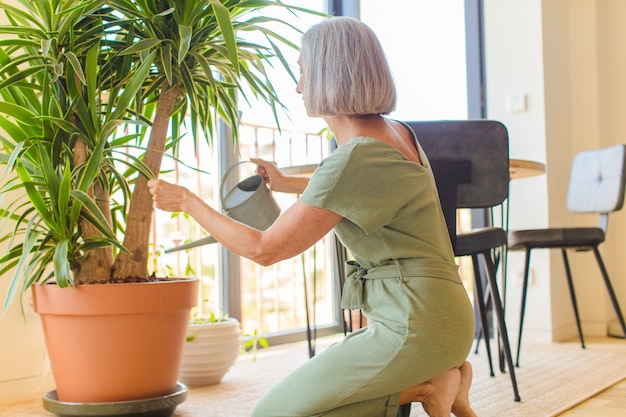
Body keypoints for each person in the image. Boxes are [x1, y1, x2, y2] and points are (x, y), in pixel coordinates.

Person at [148, 16, 477, 417]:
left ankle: (425, 386)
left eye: (302, 71)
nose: (299, 85)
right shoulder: (394, 132)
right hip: (445, 318)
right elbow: (355, 190)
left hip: (414, 325)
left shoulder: (353, 158)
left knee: (270, 414)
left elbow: (264, 248)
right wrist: (286, 183)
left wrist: (187, 202)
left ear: (327, 73)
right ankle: (432, 384)